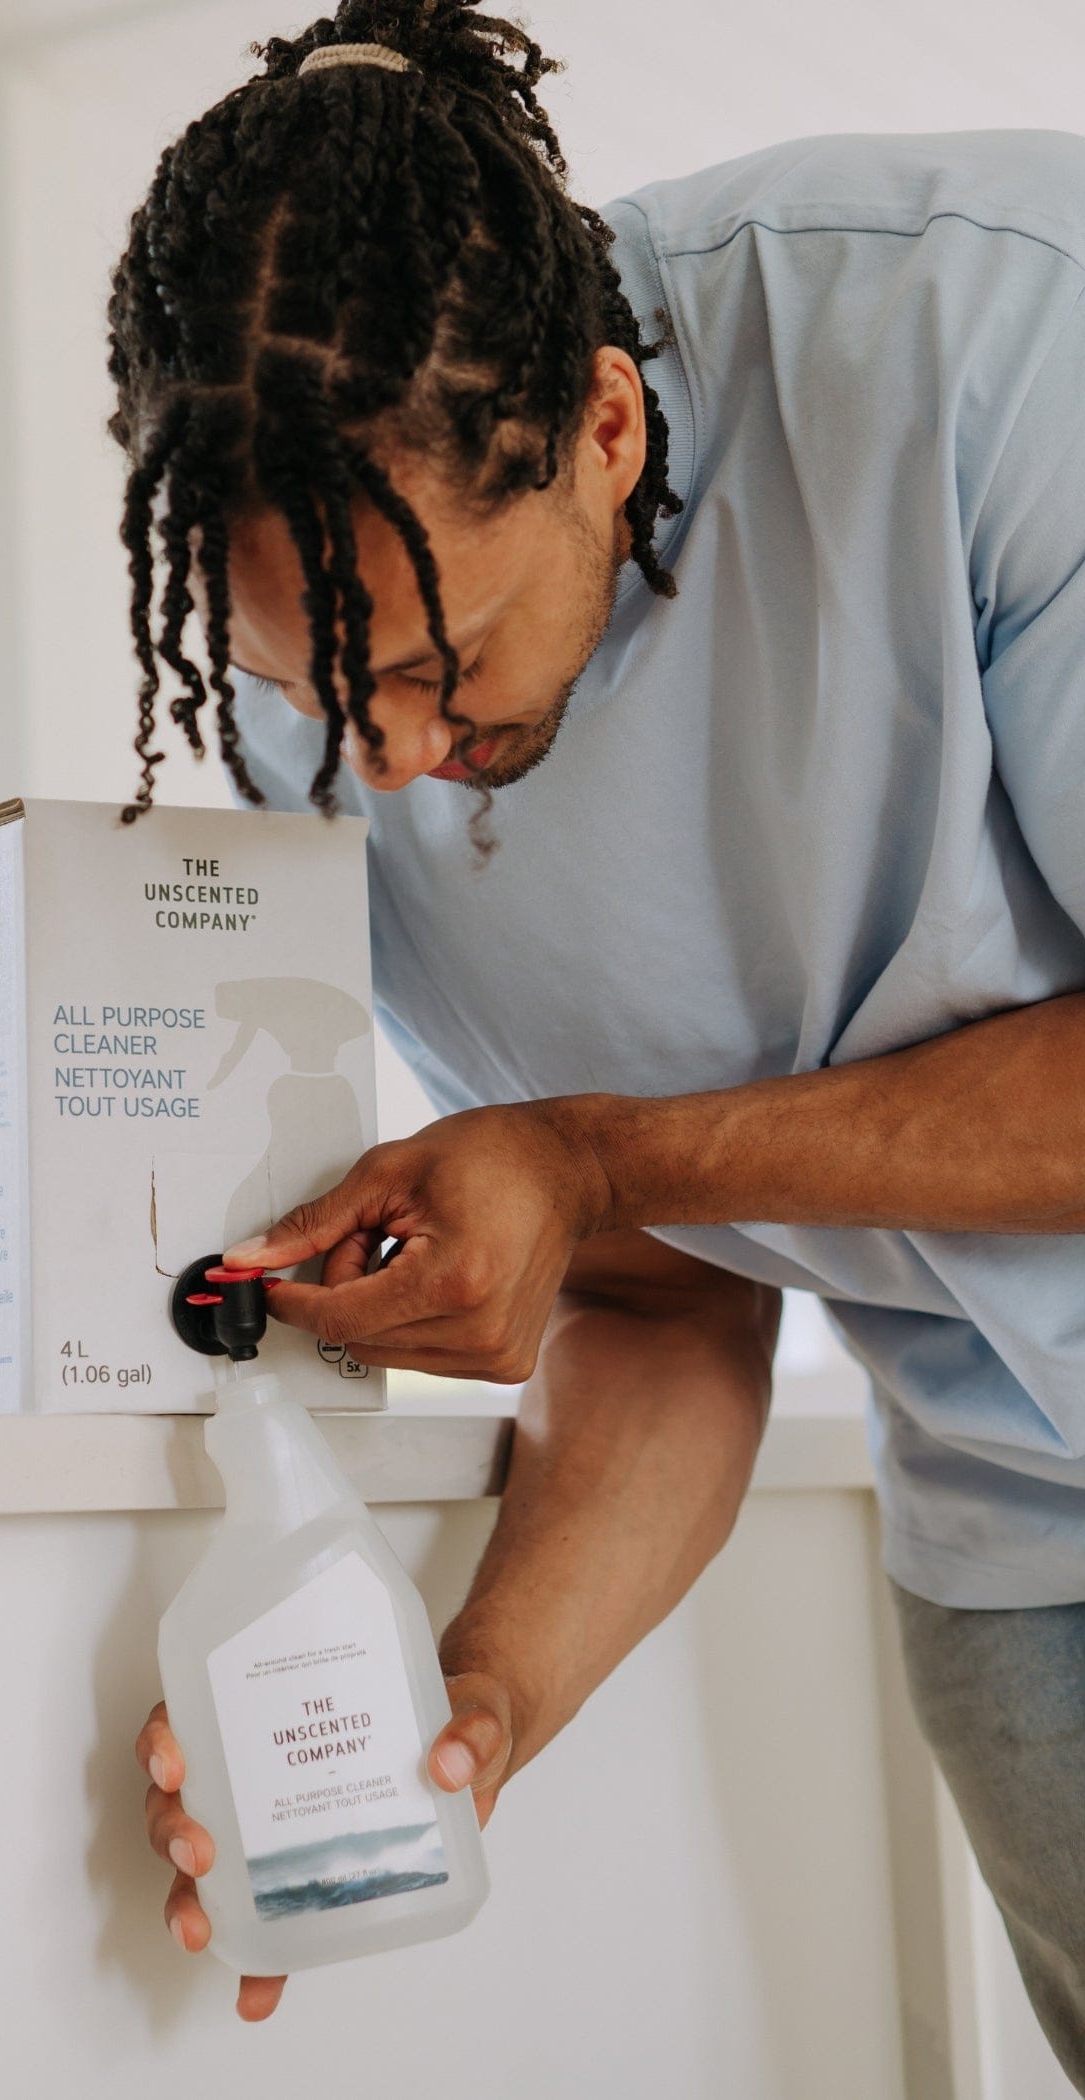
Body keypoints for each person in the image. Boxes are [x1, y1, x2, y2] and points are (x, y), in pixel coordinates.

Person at [108, 0, 1085, 2065]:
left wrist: (599, 1156)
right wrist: (476, 1712)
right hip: (1022, 1557)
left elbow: (628, 1182)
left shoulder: (990, 345)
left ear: (613, 429)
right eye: (326, 697)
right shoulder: (332, 730)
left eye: (445, 670)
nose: (402, 768)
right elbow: (663, 1302)